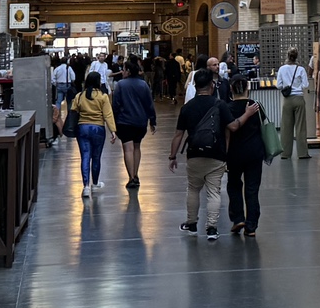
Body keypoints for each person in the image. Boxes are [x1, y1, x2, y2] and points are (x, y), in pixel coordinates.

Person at [170, 67, 230, 240]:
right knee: (214, 192)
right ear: (212, 85)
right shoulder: (220, 105)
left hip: (194, 153)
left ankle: (192, 223)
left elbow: (178, 135)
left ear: (195, 85)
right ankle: (211, 228)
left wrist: (172, 156)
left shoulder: (187, 107)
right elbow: (229, 129)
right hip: (216, 154)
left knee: (193, 189)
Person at [224, 87, 267, 237]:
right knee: (252, 188)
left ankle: (237, 218)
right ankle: (251, 226)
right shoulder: (256, 106)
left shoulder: (227, 108)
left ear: (232, 89)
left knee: (234, 185)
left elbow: (226, 131)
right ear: (247, 89)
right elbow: (263, 125)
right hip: (254, 152)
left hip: (234, 153)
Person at [67, 69, 117, 197]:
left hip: (82, 128)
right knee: (96, 157)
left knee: (85, 156)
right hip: (98, 129)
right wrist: (113, 130)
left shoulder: (80, 96)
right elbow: (108, 114)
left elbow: (73, 110)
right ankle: (95, 184)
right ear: (98, 82)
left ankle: (85, 187)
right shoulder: (103, 96)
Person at [111, 58, 157, 191]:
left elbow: (116, 105)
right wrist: (152, 121)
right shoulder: (143, 85)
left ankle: (131, 177)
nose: (122, 72)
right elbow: (149, 104)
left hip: (124, 122)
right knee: (137, 147)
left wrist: (113, 122)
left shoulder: (120, 85)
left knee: (127, 149)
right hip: (140, 122)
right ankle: (136, 175)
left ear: (128, 71)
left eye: (124, 69)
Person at [276, 48, 312, 160]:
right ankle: (302, 153)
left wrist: (286, 87)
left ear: (287, 56)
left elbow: (278, 85)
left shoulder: (282, 69)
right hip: (299, 99)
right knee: (300, 127)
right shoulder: (300, 69)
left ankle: (285, 153)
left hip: (287, 100)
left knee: (286, 127)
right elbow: (306, 85)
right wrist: (298, 87)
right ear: (297, 57)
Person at [48, 52, 75, 147]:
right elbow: (73, 77)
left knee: (58, 101)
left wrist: (56, 84)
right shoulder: (69, 68)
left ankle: (57, 115)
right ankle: (70, 115)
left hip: (59, 86)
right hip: (67, 86)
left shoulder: (57, 68)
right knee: (69, 102)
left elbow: (52, 78)